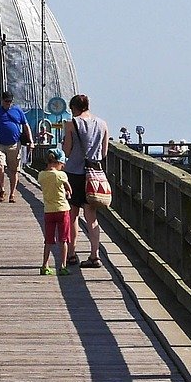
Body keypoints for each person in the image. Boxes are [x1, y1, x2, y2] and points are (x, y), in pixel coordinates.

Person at [60, 92, 111, 267]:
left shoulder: (71, 124)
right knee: (92, 216)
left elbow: (66, 151)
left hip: (75, 173)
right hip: (94, 174)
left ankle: (72, 253)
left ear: (74, 108)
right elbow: (104, 153)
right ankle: (94, 255)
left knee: (72, 214)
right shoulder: (102, 124)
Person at [32, 146, 73, 276]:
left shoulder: (41, 175)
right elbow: (69, 190)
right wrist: (67, 193)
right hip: (62, 210)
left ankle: (44, 265)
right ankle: (63, 266)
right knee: (63, 239)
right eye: (62, 163)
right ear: (58, 162)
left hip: (48, 211)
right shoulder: (61, 175)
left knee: (48, 240)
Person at [0, 91, 33, 203]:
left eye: (10, 101)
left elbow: (26, 126)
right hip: (0, 144)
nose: (8, 103)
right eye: (6, 101)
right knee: (0, 166)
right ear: (2, 101)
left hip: (14, 144)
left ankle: (12, 193)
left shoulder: (18, 111)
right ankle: (2, 189)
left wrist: (31, 141)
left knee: (14, 170)